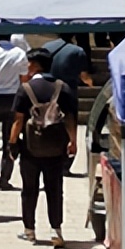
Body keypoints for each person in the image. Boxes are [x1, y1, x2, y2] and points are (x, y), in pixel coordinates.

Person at [9, 47, 77, 248]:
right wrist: (73, 141)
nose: (27, 67)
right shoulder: (62, 88)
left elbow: (18, 121)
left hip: (31, 149)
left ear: (35, 65)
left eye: (29, 63)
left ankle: (29, 230)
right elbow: (70, 118)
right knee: (54, 189)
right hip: (56, 148)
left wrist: (12, 144)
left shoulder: (26, 89)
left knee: (29, 189)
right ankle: (56, 231)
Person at [0, 34, 29, 190]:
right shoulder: (20, 53)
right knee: (11, 137)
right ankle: (5, 177)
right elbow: (24, 80)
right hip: (12, 99)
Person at [41, 33, 92, 174]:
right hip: (68, 92)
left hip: (47, 91)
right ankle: (65, 163)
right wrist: (90, 82)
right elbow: (84, 76)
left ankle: (48, 158)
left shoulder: (46, 47)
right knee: (69, 124)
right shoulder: (78, 51)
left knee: (48, 123)